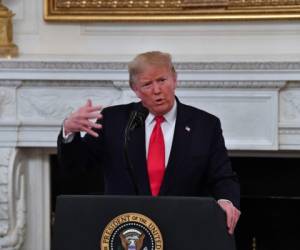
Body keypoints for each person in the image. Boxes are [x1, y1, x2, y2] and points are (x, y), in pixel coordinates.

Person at [57, 51, 240, 235]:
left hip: (183, 228)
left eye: (162, 80)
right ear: (135, 89)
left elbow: (222, 177)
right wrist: (69, 132)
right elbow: (76, 167)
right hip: (127, 230)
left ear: (175, 79)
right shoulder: (113, 121)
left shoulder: (205, 125)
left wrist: (226, 201)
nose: (157, 90)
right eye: (147, 84)